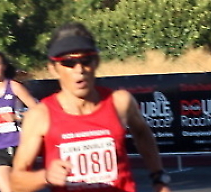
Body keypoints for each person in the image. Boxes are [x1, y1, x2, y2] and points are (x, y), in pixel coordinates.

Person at [10, 22, 172, 192]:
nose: (79, 69)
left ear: (96, 62)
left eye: (86, 60)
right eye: (68, 62)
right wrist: (45, 177)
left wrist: (159, 179)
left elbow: (142, 133)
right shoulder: (41, 115)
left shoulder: (120, 102)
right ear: (53, 68)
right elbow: (15, 183)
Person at [0, 50, 39, 192]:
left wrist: (17, 117)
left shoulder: (14, 87)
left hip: (20, 146)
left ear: (4, 66)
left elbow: (38, 110)